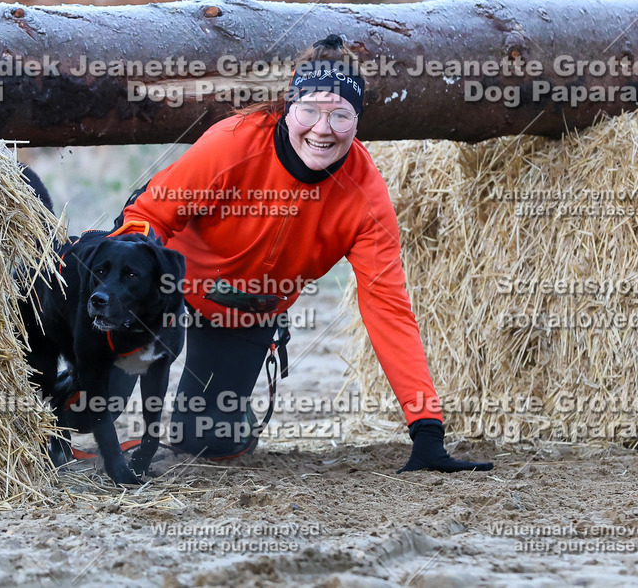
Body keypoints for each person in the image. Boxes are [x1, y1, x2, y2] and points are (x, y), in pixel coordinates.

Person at [117, 34, 492, 474]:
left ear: (358, 123)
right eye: (309, 109)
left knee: (205, 443)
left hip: (244, 309)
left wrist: (426, 428)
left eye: (340, 115)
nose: (322, 127)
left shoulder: (365, 196)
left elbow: (388, 307)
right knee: (105, 363)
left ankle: (229, 417)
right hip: (170, 282)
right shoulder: (233, 144)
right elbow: (148, 214)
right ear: (287, 107)